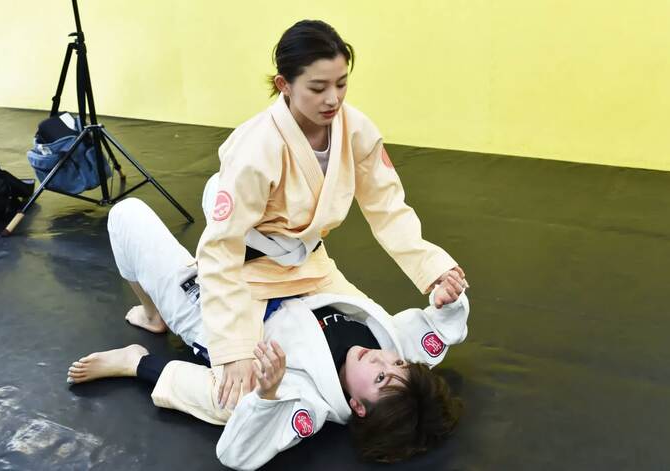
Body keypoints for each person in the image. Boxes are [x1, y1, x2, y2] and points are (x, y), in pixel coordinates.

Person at [68, 198, 470, 469]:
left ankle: (137, 356)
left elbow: (237, 452)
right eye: (397, 364)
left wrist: (266, 395)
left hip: (214, 311)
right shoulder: (394, 349)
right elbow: (441, 330)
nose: (382, 359)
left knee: (126, 215)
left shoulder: (306, 403)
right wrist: (447, 299)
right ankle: (151, 313)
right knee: (225, 193)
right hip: (283, 273)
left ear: (358, 407)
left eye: (381, 377)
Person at [195, 19, 469, 413]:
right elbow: (221, 246)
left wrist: (432, 269)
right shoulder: (257, 147)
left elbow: (388, 207)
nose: (333, 99)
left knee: (383, 340)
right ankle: (137, 359)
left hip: (311, 265)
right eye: (318, 87)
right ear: (284, 84)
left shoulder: (355, 130)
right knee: (239, 397)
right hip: (252, 272)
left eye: (341, 84)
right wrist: (234, 349)